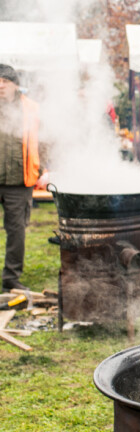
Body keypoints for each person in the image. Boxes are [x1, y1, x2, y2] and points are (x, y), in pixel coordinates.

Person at [0, 64, 41, 293]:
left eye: (5, 81)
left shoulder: (31, 108)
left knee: (16, 232)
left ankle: (11, 278)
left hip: (19, 180)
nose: (1, 85)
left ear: (15, 84)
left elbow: (44, 139)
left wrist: (43, 168)